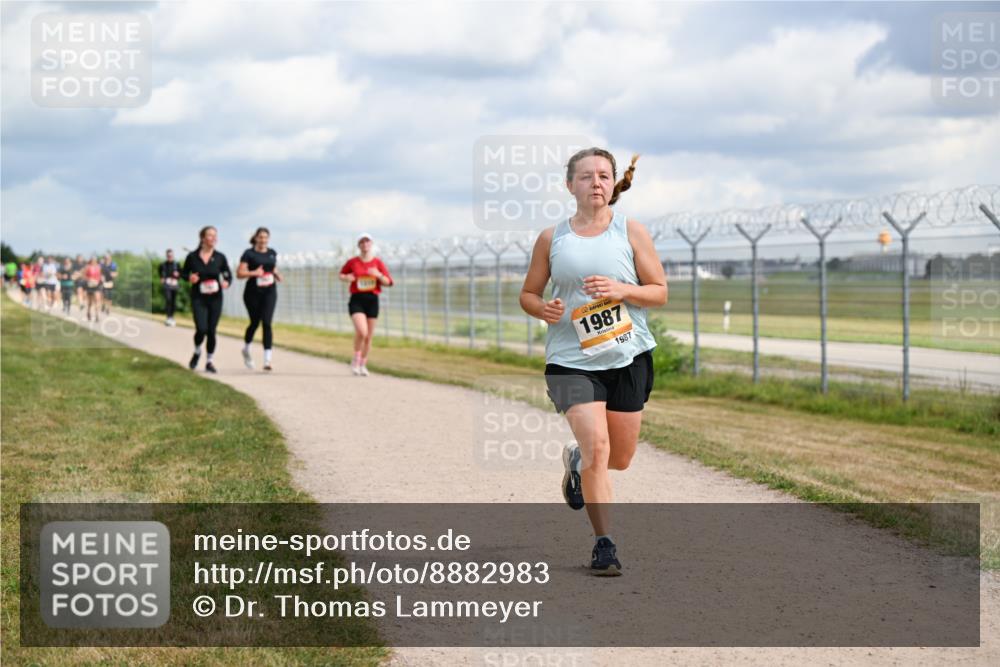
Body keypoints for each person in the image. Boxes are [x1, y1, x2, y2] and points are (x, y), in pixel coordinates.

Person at [519, 148, 667, 576]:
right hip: (569, 360)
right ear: (570, 186)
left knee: (618, 458)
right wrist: (540, 308)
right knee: (597, 449)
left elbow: (659, 291)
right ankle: (605, 545)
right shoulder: (552, 238)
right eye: (586, 177)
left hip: (628, 356)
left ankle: (578, 468)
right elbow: (528, 293)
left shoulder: (630, 231)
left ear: (613, 183)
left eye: (604, 175)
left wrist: (622, 290)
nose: (596, 183)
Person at [338, 232, 392, 376]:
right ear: (358, 245)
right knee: (362, 331)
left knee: (368, 337)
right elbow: (341, 274)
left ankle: (363, 364)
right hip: (357, 299)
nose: (365, 244)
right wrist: (347, 277)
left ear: (371, 244)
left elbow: (389, 282)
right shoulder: (353, 262)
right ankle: (355, 360)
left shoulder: (378, 263)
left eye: (367, 241)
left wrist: (378, 275)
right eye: (362, 242)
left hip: (372, 300)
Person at [181, 226, 232, 373]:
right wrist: (190, 278)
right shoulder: (192, 257)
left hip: (215, 298)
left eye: (215, 236)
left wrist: (227, 281)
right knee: (201, 329)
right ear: (203, 238)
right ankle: (197, 351)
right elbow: (184, 274)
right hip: (199, 298)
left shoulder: (220, 257)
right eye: (210, 235)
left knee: (211, 331)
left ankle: (209, 361)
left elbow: (227, 274)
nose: (214, 238)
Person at [237, 227, 281, 371]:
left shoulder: (272, 253)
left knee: (267, 322)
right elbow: (239, 273)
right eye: (260, 237)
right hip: (252, 293)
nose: (263, 240)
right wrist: (254, 272)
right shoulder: (249, 254)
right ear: (256, 238)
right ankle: (246, 349)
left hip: (269, 291)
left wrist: (276, 274)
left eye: (265, 237)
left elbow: (272, 268)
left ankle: (267, 360)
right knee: (255, 322)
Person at [159, 249, 181, 326]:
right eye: (168, 255)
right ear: (166, 256)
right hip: (167, 285)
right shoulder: (163, 265)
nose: (170, 257)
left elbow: (180, 274)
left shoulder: (177, 264)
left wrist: (178, 274)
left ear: (173, 255)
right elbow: (161, 274)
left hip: (174, 285)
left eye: (171, 255)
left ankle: (172, 317)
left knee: (173, 302)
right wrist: (161, 279)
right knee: (168, 300)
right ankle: (168, 317)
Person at [82, 256, 103, 321]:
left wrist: (98, 280)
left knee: (97, 299)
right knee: (90, 302)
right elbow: (83, 276)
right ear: (90, 260)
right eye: (92, 260)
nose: (93, 261)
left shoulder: (99, 267)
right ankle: (88, 312)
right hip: (89, 285)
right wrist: (89, 279)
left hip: (97, 285)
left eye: (94, 260)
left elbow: (100, 275)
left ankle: (97, 315)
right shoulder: (87, 267)